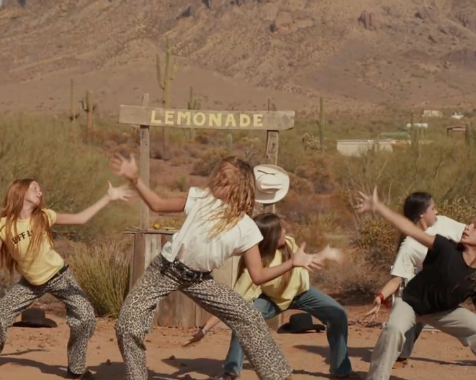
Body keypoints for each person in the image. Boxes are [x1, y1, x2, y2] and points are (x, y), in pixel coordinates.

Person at [110, 153, 323, 380]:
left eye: (224, 179)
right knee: (127, 325)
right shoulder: (199, 198)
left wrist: (292, 262)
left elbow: (258, 275)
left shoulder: (246, 228)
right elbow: (158, 204)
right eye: (217, 176)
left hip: (199, 279)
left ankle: (278, 375)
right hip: (164, 270)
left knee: (249, 317)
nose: (216, 182)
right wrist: (135, 178)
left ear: (239, 188)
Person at [0, 178, 134, 380]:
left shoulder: (44, 216)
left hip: (60, 277)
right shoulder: (3, 226)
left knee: (85, 317)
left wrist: (108, 198)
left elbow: (81, 218)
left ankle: (77, 369)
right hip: (30, 284)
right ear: (20, 193)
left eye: (40, 190)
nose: (40, 192)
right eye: (34, 188)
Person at [354, 188, 476, 380]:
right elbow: (408, 228)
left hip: (443, 312)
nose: (468, 227)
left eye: (475, 227)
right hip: (411, 304)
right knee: (393, 330)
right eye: (470, 224)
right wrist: (378, 207)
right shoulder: (444, 247)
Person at [191, 213, 354, 380]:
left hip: (302, 294)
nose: (284, 230)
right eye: (280, 229)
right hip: (273, 300)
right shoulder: (256, 262)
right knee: (243, 319)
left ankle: (341, 371)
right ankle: (230, 372)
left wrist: (324, 254)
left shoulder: (289, 243)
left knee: (338, 315)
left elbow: (305, 260)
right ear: (271, 237)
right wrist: (206, 328)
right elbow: (233, 300)